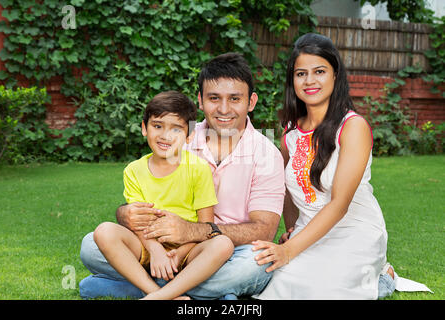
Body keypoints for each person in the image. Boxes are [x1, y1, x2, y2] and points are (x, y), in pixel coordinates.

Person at [79, 53, 286, 300]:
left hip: (223, 253)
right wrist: (124, 214)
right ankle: (196, 293)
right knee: (91, 246)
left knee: (256, 265)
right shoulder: (179, 135)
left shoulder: (267, 154)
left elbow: (263, 231)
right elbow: (145, 191)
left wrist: (192, 232)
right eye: (213, 98)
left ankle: (138, 287)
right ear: (200, 100)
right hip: (158, 245)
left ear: (251, 101)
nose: (223, 109)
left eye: (234, 99)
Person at [253, 33, 397, 300]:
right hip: (309, 233)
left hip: (354, 232)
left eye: (319, 71)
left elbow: (339, 204)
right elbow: (285, 188)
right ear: (292, 80)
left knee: (322, 290)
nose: (309, 81)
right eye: (301, 74)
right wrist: (292, 230)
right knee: (277, 285)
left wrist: (289, 250)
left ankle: (383, 278)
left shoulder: (352, 127)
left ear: (335, 75)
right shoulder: (290, 131)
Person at [88, 91, 234, 300]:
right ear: (143, 128)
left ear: (189, 135)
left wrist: (180, 254)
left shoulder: (198, 168)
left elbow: (205, 229)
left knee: (223, 244)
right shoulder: (133, 170)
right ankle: (159, 294)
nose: (165, 136)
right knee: (103, 232)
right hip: (147, 247)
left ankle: (156, 297)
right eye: (157, 126)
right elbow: (138, 223)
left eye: (176, 129)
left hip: (187, 251)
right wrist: (156, 251)